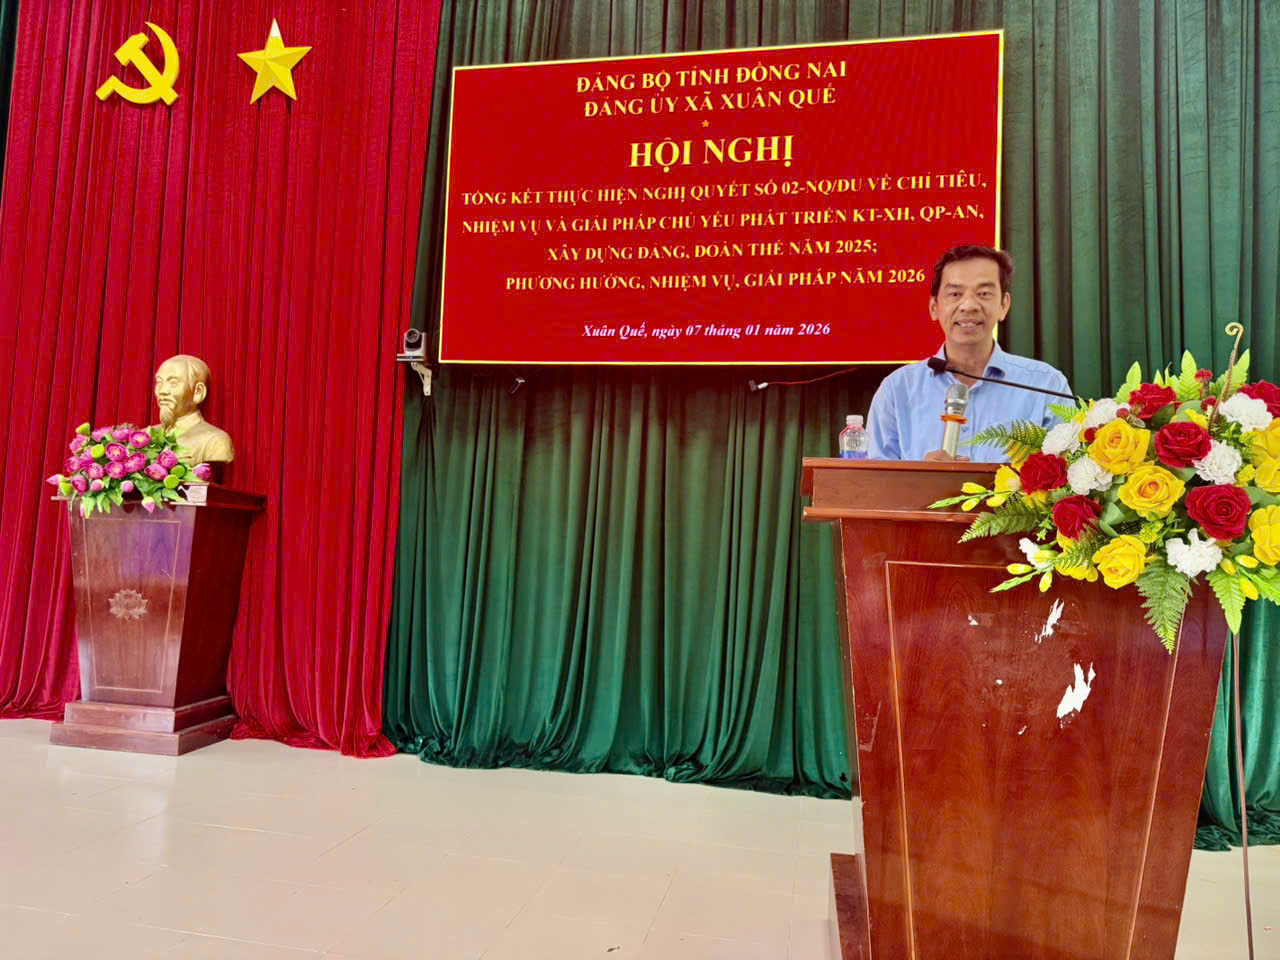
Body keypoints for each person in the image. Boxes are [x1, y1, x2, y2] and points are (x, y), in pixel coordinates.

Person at [866, 244, 1071, 462]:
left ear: (1004, 305)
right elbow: (872, 480)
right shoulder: (897, 391)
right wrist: (921, 478)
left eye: (983, 293)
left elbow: (1066, 472)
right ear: (934, 307)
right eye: (955, 294)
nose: (969, 305)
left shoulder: (1047, 386)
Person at [152, 354, 235, 465]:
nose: (162, 391)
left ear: (198, 392)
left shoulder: (215, 440)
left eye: (173, 383)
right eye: (159, 382)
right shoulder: (142, 437)